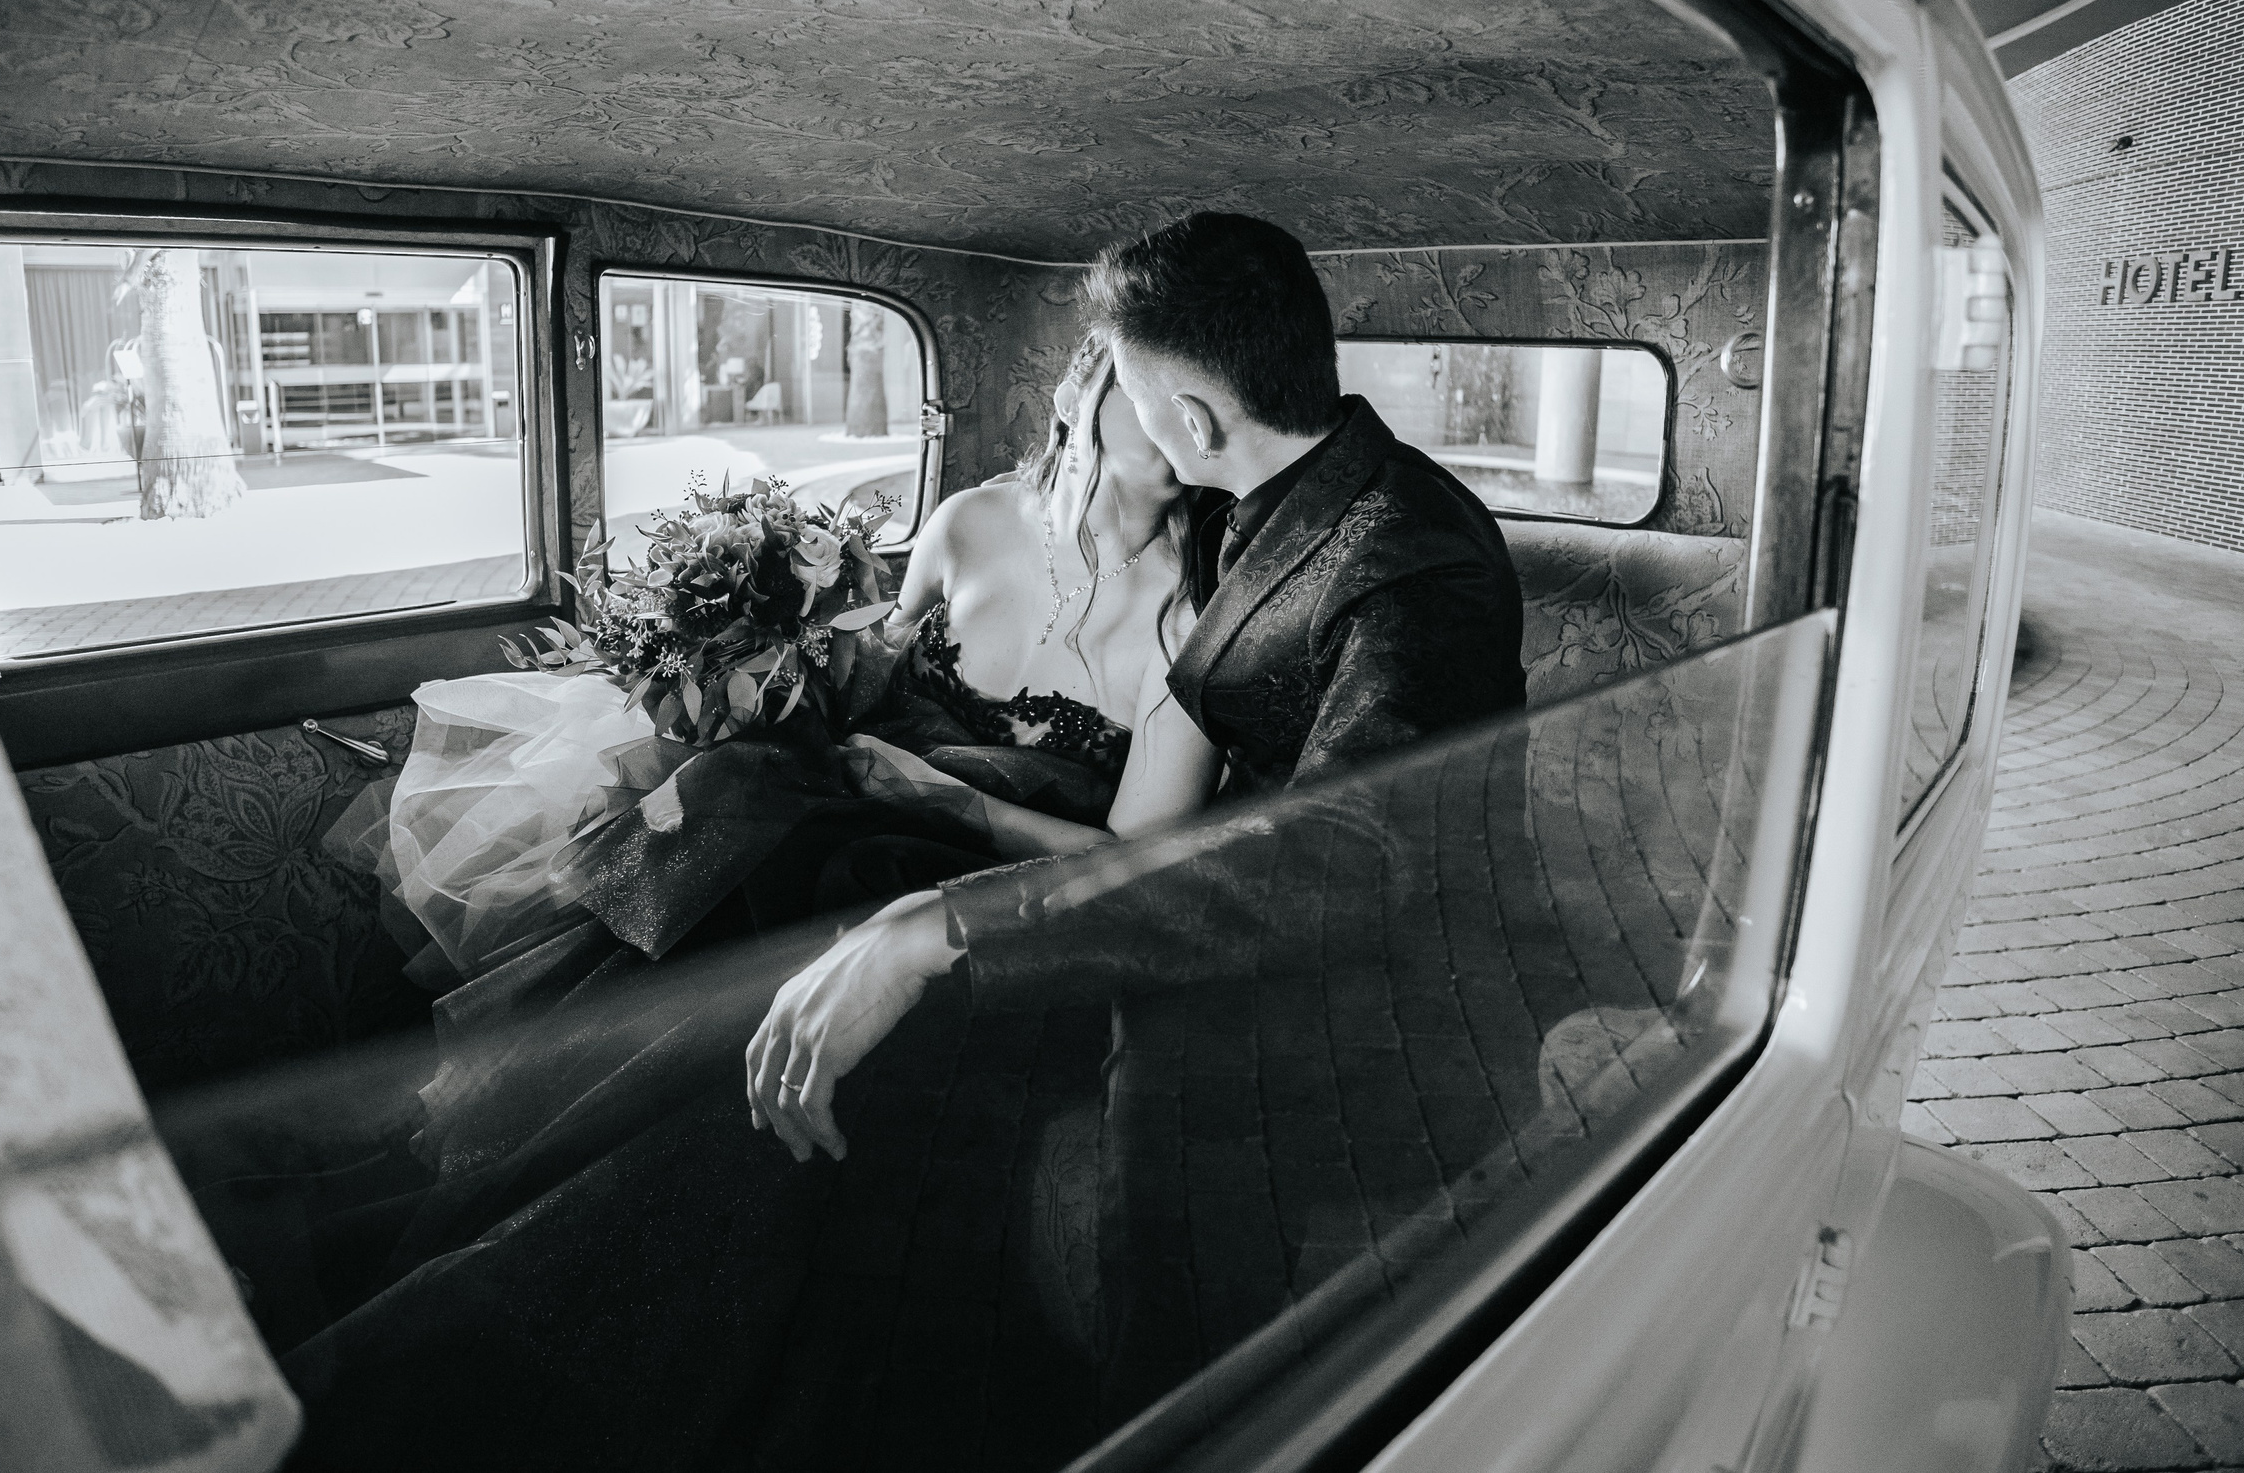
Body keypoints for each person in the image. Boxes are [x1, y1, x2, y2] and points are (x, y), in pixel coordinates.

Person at [264, 336, 1221, 1470]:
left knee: (801, 968)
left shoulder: (1203, 612)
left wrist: (950, 805)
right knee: (723, 823)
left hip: (994, 909)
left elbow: (1130, 870)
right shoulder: (969, 521)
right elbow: (869, 679)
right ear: (1089, 386)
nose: (1187, 422)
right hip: (831, 832)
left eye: (1207, 400)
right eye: (1163, 384)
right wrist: (766, 689)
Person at [745, 211, 1528, 1423]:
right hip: (1243, 907)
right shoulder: (1266, 500)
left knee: (1095, 1086)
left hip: (1383, 997)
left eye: (1140, 387)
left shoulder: (1411, 564)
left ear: (1192, 419)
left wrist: (952, 926)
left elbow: (1342, 859)